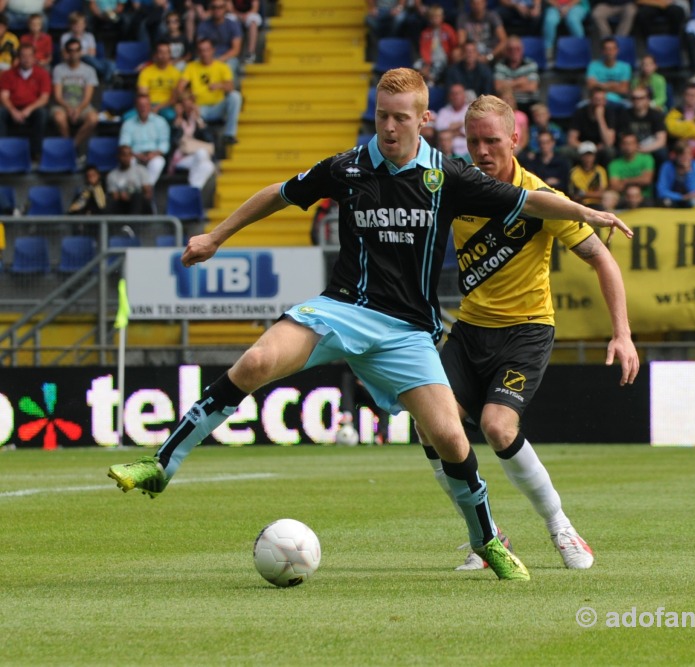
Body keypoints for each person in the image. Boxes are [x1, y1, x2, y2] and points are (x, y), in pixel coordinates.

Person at [108, 67, 632, 581]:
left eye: (400, 118)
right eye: (382, 116)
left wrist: (587, 212)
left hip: (408, 331)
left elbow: (527, 200)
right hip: (342, 309)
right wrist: (216, 236)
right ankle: (161, 465)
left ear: (423, 119)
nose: (388, 128)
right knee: (257, 360)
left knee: (451, 439)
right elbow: (279, 192)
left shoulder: (448, 176)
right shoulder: (349, 166)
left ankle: (487, 540)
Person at [420, 94, 638, 571]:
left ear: (514, 139)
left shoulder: (540, 198)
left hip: (525, 331)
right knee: (431, 425)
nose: (482, 152)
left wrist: (621, 333)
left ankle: (561, 526)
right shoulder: (456, 187)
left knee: (498, 428)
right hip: (470, 329)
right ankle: (488, 537)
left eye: (492, 141)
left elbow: (602, 258)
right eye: (473, 142)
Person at [177, 37, 242, 145]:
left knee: (235, 96)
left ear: (213, 50)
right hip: (198, 108)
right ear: (198, 52)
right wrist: (188, 98)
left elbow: (230, 87)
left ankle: (229, 134)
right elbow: (180, 88)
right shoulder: (191, 67)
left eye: (207, 50)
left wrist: (220, 85)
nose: (205, 53)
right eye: (202, 50)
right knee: (188, 108)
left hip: (218, 106)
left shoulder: (222, 67)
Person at [0, 43, 50, 159]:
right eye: (23, 56)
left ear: (34, 58)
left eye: (29, 56)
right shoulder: (8, 74)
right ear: (18, 58)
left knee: (42, 114)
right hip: (13, 107)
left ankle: (35, 153)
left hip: (32, 108)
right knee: (0, 113)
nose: (26, 59)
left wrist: (29, 109)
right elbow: (4, 97)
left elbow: (44, 98)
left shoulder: (42, 74)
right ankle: (2, 151)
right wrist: (13, 111)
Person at [51, 38, 100, 154]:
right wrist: (68, 108)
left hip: (83, 105)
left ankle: (72, 147)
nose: (74, 53)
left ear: (80, 52)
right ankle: (67, 143)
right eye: (70, 50)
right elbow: (58, 96)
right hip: (63, 105)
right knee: (59, 118)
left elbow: (88, 97)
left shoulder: (89, 70)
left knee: (93, 119)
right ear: (66, 52)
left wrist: (78, 109)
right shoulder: (58, 69)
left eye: (76, 50)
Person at [119, 92, 171, 184]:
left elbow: (164, 144)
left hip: (153, 155)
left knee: (159, 162)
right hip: (135, 155)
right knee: (128, 160)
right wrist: (135, 154)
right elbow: (124, 144)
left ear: (150, 106)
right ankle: (138, 187)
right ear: (136, 106)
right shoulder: (128, 124)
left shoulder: (160, 122)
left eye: (146, 105)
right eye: (140, 105)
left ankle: (147, 187)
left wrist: (155, 154)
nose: (143, 108)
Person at [566, 87, 622, 166]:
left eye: (602, 100)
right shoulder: (580, 112)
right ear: (590, 99)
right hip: (582, 149)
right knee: (564, 151)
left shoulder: (609, 113)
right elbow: (571, 140)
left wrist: (600, 118)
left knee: (610, 151)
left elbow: (609, 142)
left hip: (599, 150)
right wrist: (588, 147)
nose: (599, 103)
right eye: (596, 99)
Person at [665, 83, 695, 163]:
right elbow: (671, 130)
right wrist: (693, 126)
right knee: (672, 157)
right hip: (679, 148)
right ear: (684, 96)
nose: (692, 98)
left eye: (694, 95)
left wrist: (682, 127)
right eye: (689, 95)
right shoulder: (674, 112)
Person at [415, 3, 458, 87]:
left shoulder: (448, 29)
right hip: (429, 58)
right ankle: (421, 82)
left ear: (442, 17)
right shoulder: (425, 33)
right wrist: (427, 63)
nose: (435, 20)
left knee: (437, 66)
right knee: (417, 65)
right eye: (432, 18)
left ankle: (432, 81)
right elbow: (424, 50)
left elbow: (454, 44)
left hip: (443, 58)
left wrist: (451, 59)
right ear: (429, 19)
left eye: (437, 17)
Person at [624, 85, 668, 167]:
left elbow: (661, 141)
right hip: (630, 147)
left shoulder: (656, 115)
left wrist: (644, 150)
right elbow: (623, 137)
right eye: (634, 98)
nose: (637, 101)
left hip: (650, 146)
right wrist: (633, 148)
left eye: (640, 98)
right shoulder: (625, 115)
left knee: (662, 153)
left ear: (647, 99)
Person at [137, 41, 182, 122]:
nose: (163, 55)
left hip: (166, 106)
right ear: (156, 54)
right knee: (127, 117)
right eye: (161, 52)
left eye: (166, 52)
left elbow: (174, 99)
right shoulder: (146, 72)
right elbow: (143, 94)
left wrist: (158, 107)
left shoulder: (176, 73)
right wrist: (149, 107)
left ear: (170, 55)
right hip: (148, 104)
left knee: (171, 115)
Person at [492, 35, 539, 110]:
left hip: (528, 104)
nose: (514, 52)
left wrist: (507, 85)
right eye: (510, 49)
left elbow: (532, 87)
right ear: (506, 51)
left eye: (517, 49)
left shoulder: (531, 64)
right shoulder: (500, 66)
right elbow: (498, 88)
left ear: (522, 49)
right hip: (506, 104)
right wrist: (519, 82)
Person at [196, 0, 242, 75]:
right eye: (214, 7)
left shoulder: (233, 25)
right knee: (194, 66)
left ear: (225, 8)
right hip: (207, 56)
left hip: (227, 58)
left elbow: (236, 50)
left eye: (221, 7)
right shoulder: (203, 25)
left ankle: (229, 87)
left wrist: (218, 60)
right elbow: (201, 46)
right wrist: (210, 59)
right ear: (210, 9)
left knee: (229, 66)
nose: (217, 10)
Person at [106, 143, 153, 214]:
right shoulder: (112, 175)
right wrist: (121, 196)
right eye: (123, 155)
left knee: (137, 197)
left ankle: (133, 223)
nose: (126, 158)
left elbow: (148, 194)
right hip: (122, 204)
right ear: (118, 156)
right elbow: (114, 196)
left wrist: (131, 197)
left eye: (129, 155)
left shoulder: (141, 170)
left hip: (140, 206)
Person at [456, 0, 507, 65]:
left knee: (503, 50)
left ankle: (500, 72)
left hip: (491, 51)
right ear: (470, 4)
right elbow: (461, 41)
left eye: (479, 3)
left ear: (485, 3)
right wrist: (474, 55)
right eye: (474, 3)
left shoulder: (492, 16)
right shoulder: (463, 18)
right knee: (456, 53)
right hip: (472, 51)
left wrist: (489, 56)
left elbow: (503, 40)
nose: (476, 6)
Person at [586, 36, 632, 107]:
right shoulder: (593, 65)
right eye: (607, 49)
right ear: (602, 51)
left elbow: (624, 90)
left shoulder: (625, 67)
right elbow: (591, 86)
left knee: (630, 106)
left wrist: (600, 86)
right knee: (580, 107)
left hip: (618, 101)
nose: (610, 52)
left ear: (617, 50)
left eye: (612, 49)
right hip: (596, 100)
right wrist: (612, 85)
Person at [608, 132, 655, 199]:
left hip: (644, 198)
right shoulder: (614, 164)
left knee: (634, 191)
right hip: (623, 198)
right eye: (625, 143)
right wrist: (638, 180)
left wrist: (625, 181)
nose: (628, 146)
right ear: (621, 145)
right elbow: (615, 187)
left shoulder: (647, 159)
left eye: (631, 143)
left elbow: (647, 180)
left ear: (637, 144)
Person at [655, 140, 695, 207]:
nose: (685, 157)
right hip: (673, 199)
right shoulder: (667, 167)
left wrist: (688, 173)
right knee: (665, 201)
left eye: (688, 154)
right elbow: (661, 191)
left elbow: (693, 191)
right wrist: (681, 197)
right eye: (682, 154)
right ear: (676, 155)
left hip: (689, 199)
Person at [568, 140, 608, 208]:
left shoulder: (600, 171)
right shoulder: (574, 172)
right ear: (580, 156)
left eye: (590, 155)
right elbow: (575, 195)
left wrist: (584, 193)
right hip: (581, 205)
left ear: (594, 156)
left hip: (598, 203)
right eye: (585, 155)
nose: (588, 158)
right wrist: (592, 194)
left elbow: (602, 194)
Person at [434, 82, 469, 157]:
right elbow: (439, 129)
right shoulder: (443, 111)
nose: (455, 96)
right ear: (449, 96)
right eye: (453, 94)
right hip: (446, 154)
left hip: (467, 152)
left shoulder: (471, 110)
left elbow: (468, 132)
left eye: (458, 93)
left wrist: (450, 131)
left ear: (464, 95)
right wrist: (460, 125)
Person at [229, 0, 262, 65]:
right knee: (229, 18)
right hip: (235, 13)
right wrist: (238, 15)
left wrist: (245, 15)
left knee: (253, 20)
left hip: (249, 13)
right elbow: (229, 5)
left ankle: (250, 54)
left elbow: (255, 7)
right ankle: (229, 51)